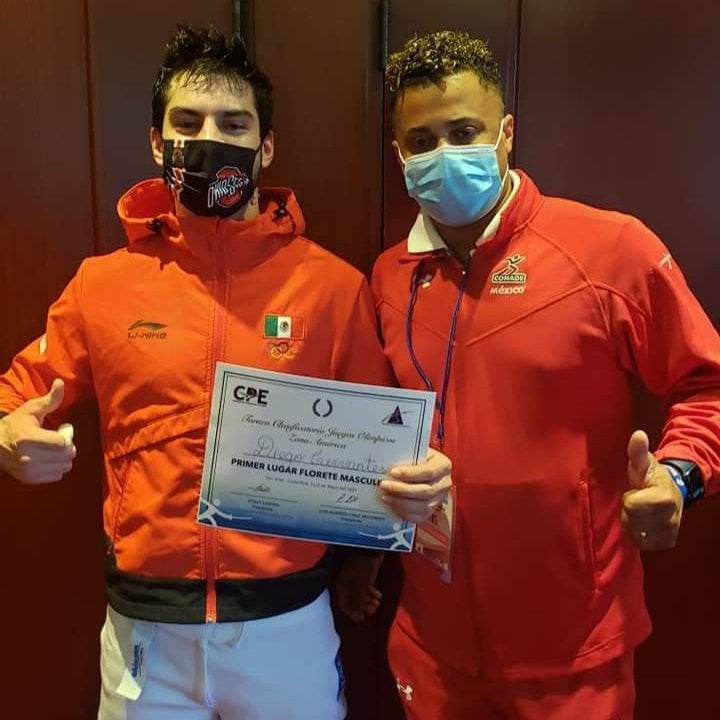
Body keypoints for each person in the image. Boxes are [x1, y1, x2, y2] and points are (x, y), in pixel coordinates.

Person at [0, 26, 450, 720]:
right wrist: (7, 435)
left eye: (233, 124)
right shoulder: (101, 285)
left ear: (265, 147)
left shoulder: (331, 288)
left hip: (288, 627)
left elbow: (382, 444)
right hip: (145, 635)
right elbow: (17, 396)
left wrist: (402, 504)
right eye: (188, 123)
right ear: (158, 143)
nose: (209, 139)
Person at [369, 29, 720, 720]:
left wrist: (680, 476)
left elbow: (707, 383)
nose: (444, 155)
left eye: (464, 132)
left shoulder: (609, 250)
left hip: (574, 653)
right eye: (422, 141)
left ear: (506, 134)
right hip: (432, 647)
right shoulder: (388, 277)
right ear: (400, 155)